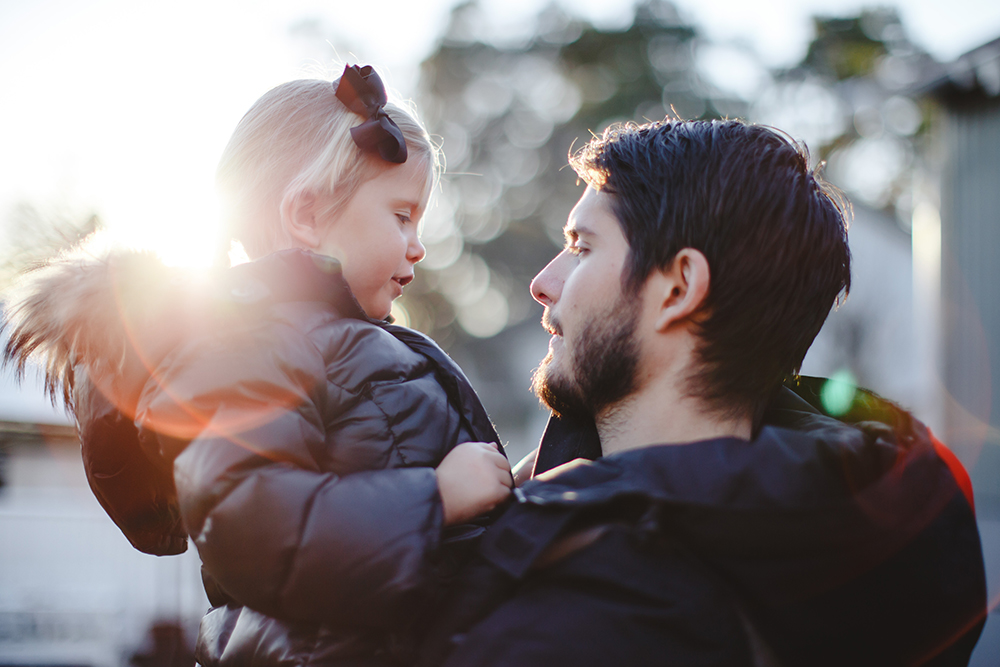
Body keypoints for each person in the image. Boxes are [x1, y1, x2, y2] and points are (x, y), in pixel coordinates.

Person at [420, 119, 987, 667]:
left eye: (582, 246)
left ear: (679, 288)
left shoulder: (612, 611)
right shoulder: (849, 568)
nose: (543, 283)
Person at [2, 65, 513, 666]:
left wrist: (513, 494)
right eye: (401, 216)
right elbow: (251, 523)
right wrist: (435, 499)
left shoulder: (341, 343)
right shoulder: (246, 343)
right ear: (304, 214)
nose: (419, 244)